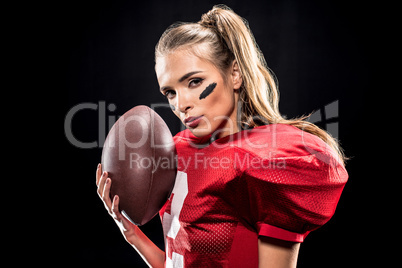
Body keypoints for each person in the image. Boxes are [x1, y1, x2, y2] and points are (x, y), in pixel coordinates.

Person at [96, 5, 348, 268]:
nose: (181, 104)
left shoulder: (265, 161)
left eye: (194, 82)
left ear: (235, 74)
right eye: (170, 92)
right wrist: (133, 235)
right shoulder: (175, 152)